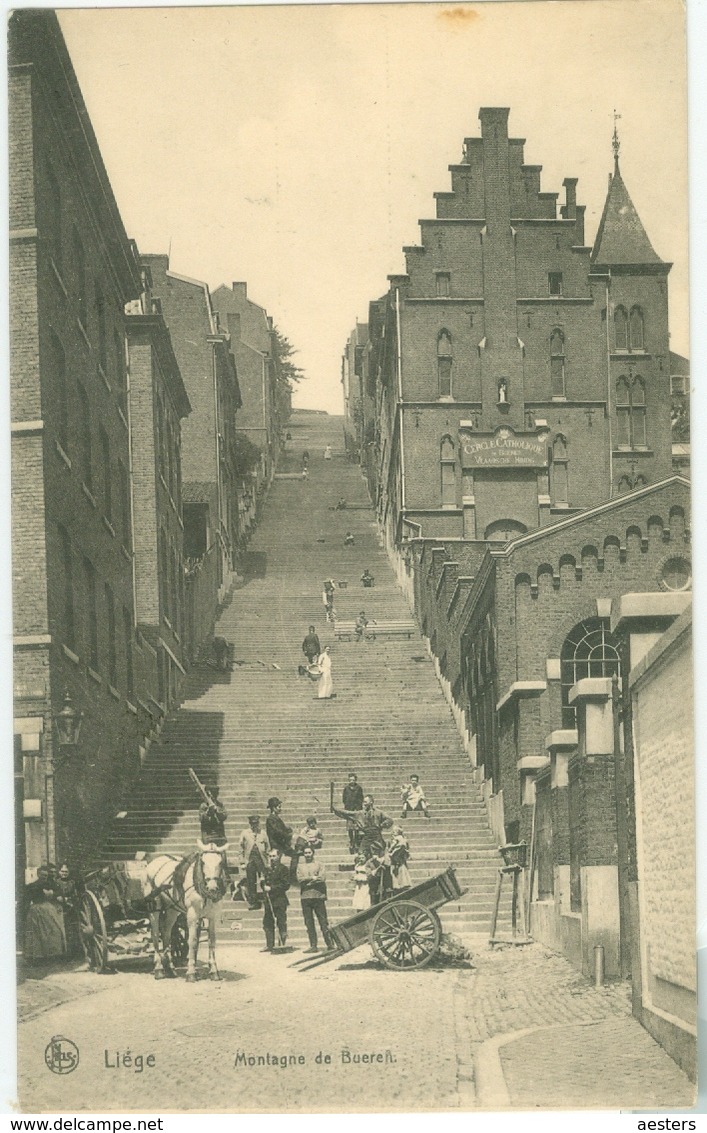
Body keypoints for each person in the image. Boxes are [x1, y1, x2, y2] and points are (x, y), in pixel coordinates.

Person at [24, 865, 67, 963]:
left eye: (46, 875)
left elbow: (59, 893)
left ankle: (52, 955)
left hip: (49, 908)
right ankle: (38, 956)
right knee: (37, 933)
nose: (44, 877)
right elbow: (27, 899)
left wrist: (53, 894)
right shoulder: (32, 885)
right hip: (36, 909)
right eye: (42, 875)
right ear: (38, 874)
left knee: (53, 930)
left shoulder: (51, 884)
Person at [333, 794, 393, 859]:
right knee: (361, 854)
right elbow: (348, 813)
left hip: (377, 836)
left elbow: (389, 820)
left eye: (365, 802)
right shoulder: (360, 814)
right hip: (367, 837)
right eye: (363, 802)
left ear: (371, 802)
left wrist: (381, 825)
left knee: (379, 855)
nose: (364, 804)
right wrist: (335, 810)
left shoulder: (379, 812)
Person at [296, 845, 332, 953]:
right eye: (305, 853)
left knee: (323, 921)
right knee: (309, 923)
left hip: (318, 896)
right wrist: (312, 878)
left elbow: (322, 878)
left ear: (313, 853)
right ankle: (313, 945)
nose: (307, 855)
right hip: (305, 897)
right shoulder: (300, 866)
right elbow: (299, 880)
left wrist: (309, 881)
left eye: (309, 853)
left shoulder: (319, 864)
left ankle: (330, 944)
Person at [260, 848, 291, 951]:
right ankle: (270, 945)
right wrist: (262, 882)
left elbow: (286, 885)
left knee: (281, 922)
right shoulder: (266, 869)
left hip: (280, 900)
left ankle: (282, 944)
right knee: (267, 922)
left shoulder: (283, 869)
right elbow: (264, 885)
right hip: (269, 900)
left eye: (274, 856)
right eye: (270, 856)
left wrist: (272, 888)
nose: (272, 858)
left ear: (279, 857)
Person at [239, 815, 270, 909]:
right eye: (252, 823)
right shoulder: (245, 833)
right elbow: (241, 848)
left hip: (261, 859)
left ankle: (267, 900)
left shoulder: (263, 833)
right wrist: (242, 862)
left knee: (264, 880)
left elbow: (268, 847)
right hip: (250, 859)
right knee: (251, 881)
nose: (254, 825)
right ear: (250, 824)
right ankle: (253, 902)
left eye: (256, 823)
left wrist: (268, 861)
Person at [342, 773, 364, 853]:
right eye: (350, 780)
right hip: (349, 810)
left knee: (357, 827)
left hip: (357, 810)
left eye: (353, 780)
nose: (352, 781)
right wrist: (347, 806)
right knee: (350, 827)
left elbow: (361, 798)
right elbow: (344, 798)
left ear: (355, 780)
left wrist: (358, 807)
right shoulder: (346, 789)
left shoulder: (359, 788)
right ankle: (351, 841)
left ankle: (356, 841)